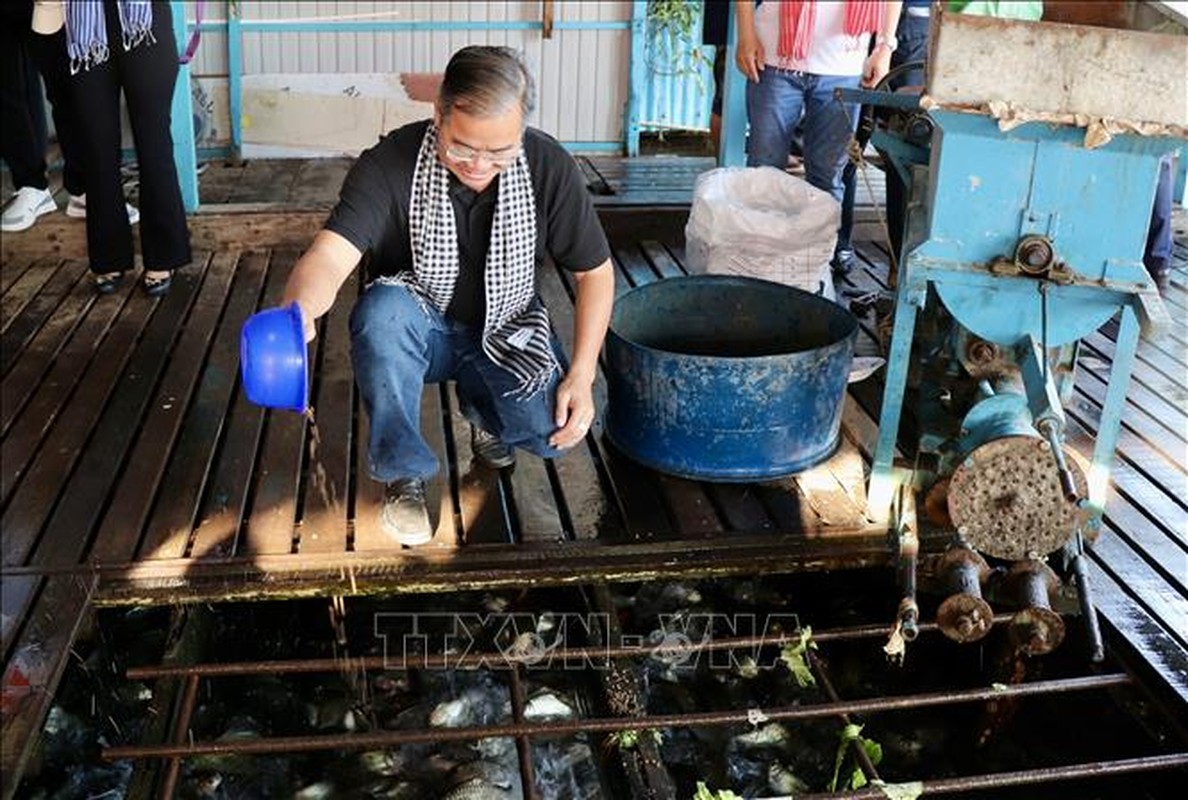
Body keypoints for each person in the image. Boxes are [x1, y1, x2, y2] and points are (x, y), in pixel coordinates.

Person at [279, 46, 615, 546]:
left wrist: (583, 374)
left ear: (521, 129)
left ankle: (485, 415)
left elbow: (596, 273)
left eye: (499, 152)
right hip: (420, 327)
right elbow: (330, 256)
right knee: (381, 316)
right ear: (438, 113)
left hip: (506, 328)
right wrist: (299, 311)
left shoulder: (548, 166)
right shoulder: (389, 162)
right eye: (463, 147)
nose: (479, 165)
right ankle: (403, 471)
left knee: (551, 431)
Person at [736, 0, 903, 275]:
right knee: (762, 173)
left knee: (827, 178)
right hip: (773, 57)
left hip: (844, 65)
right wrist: (745, 33)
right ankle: (757, 268)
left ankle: (814, 270)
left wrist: (884, 47)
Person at [48, 0, 190, 296]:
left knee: (154, 145)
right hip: (84, 30)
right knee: (96, 149)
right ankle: (108, 257)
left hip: (145, 26)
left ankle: (163, 256)